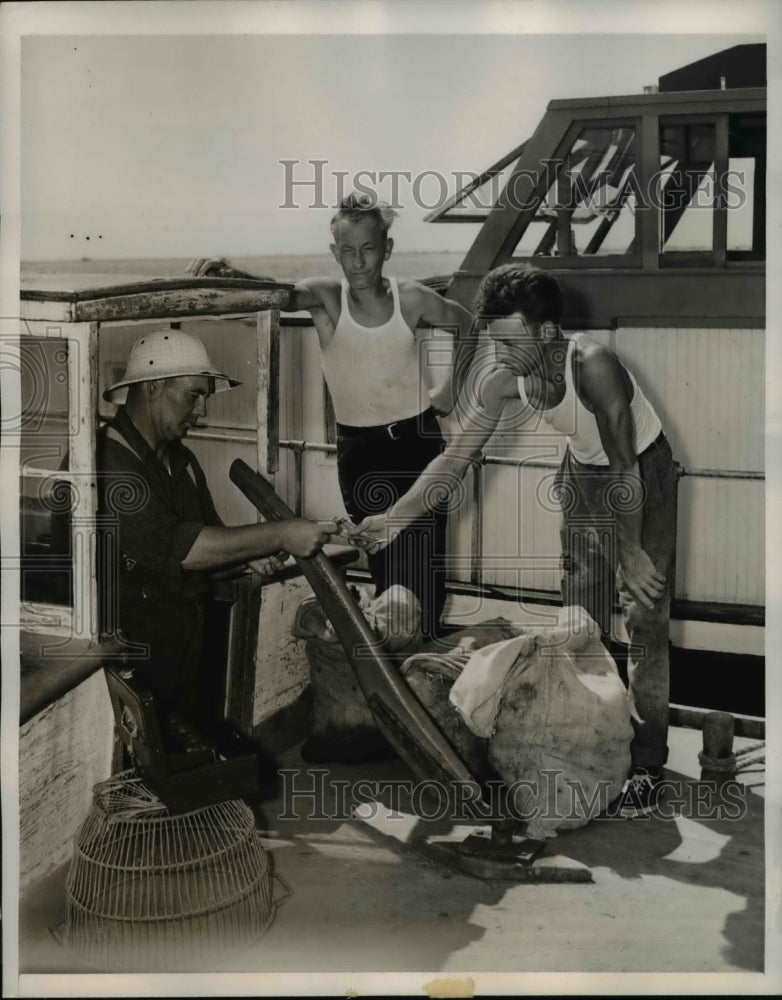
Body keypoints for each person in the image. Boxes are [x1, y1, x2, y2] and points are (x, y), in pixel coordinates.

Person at [354, 263, 678, 818]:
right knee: (580, 609)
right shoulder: (506, 378)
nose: (497, 354)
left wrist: (630, 552)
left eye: (508, 341)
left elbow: (626, 468)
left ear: (546, 333)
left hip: (642, 473)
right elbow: (453, 459)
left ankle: (648, 766)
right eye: (491, 340)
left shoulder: (594, 365)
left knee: (644, 616)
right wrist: (394, 518)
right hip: (583, 470)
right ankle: (587, 733)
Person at [188, 192, 475, 642]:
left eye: (369, 249)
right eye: (347, 250)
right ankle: (394, 665)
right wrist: (227, 275)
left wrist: (450, 386)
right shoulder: (327, 298)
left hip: (420, 444)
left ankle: (428, 656)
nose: (358, 262)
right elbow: (277, 296)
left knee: (425, 559)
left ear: (388, 248)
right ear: (334, 252)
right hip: (361, 452)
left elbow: (466, 324)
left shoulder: (413, 298)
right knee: (385, 557)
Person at [98, 327, 335, 739]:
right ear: (153, 387)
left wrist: (247, 557)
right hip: (124, 654)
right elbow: (185, 549)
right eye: (193, 395)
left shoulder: (183, 462)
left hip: (183, 646)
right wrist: (280, 535)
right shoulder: (105, 464)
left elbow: (211, 542)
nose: (201, 410)